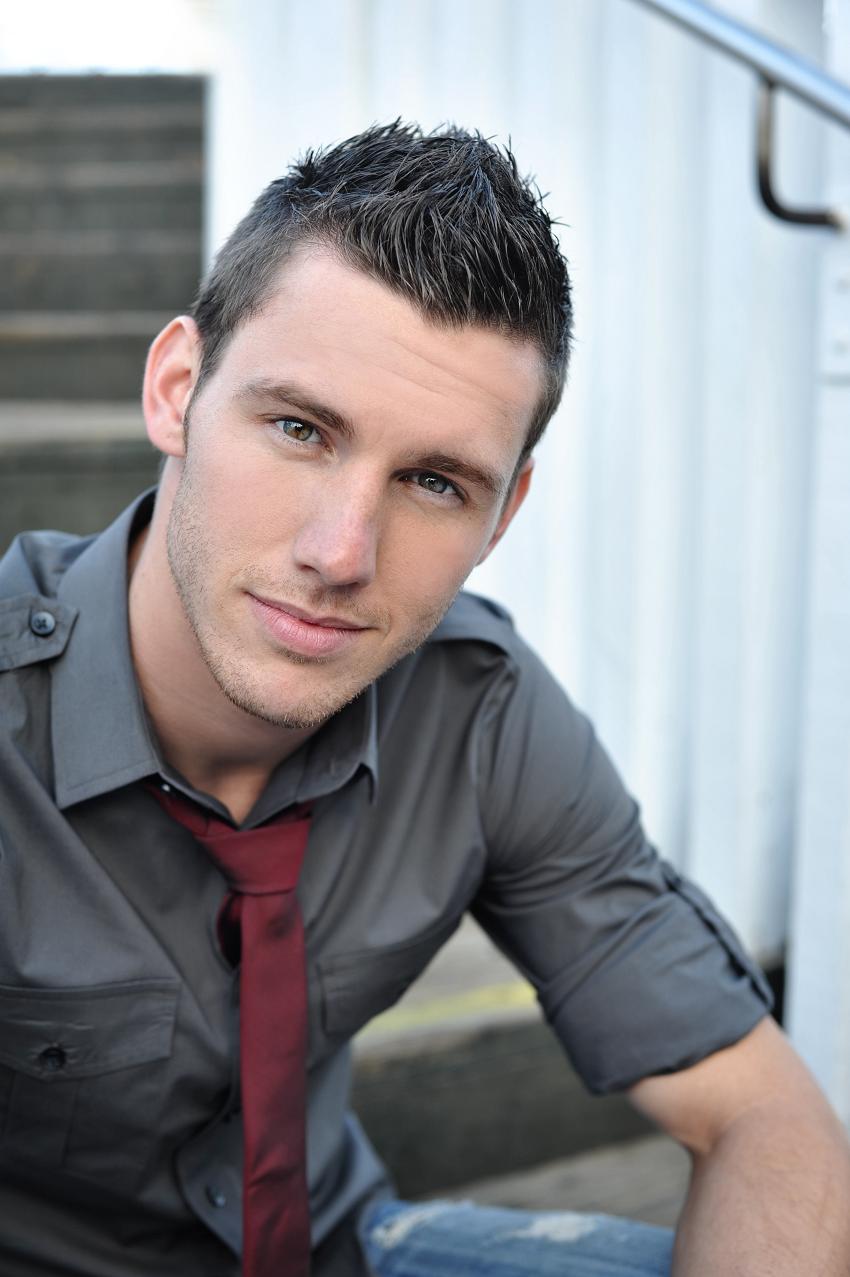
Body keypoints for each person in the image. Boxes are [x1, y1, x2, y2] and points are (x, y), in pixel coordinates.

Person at [0, 121, 848, 1277]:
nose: (340, 552)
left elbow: (766, 1116)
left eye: (434, 481)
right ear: (177, 388)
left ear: (503, 515)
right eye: (299, 429)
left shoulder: (476, 711)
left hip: (341, 1247)